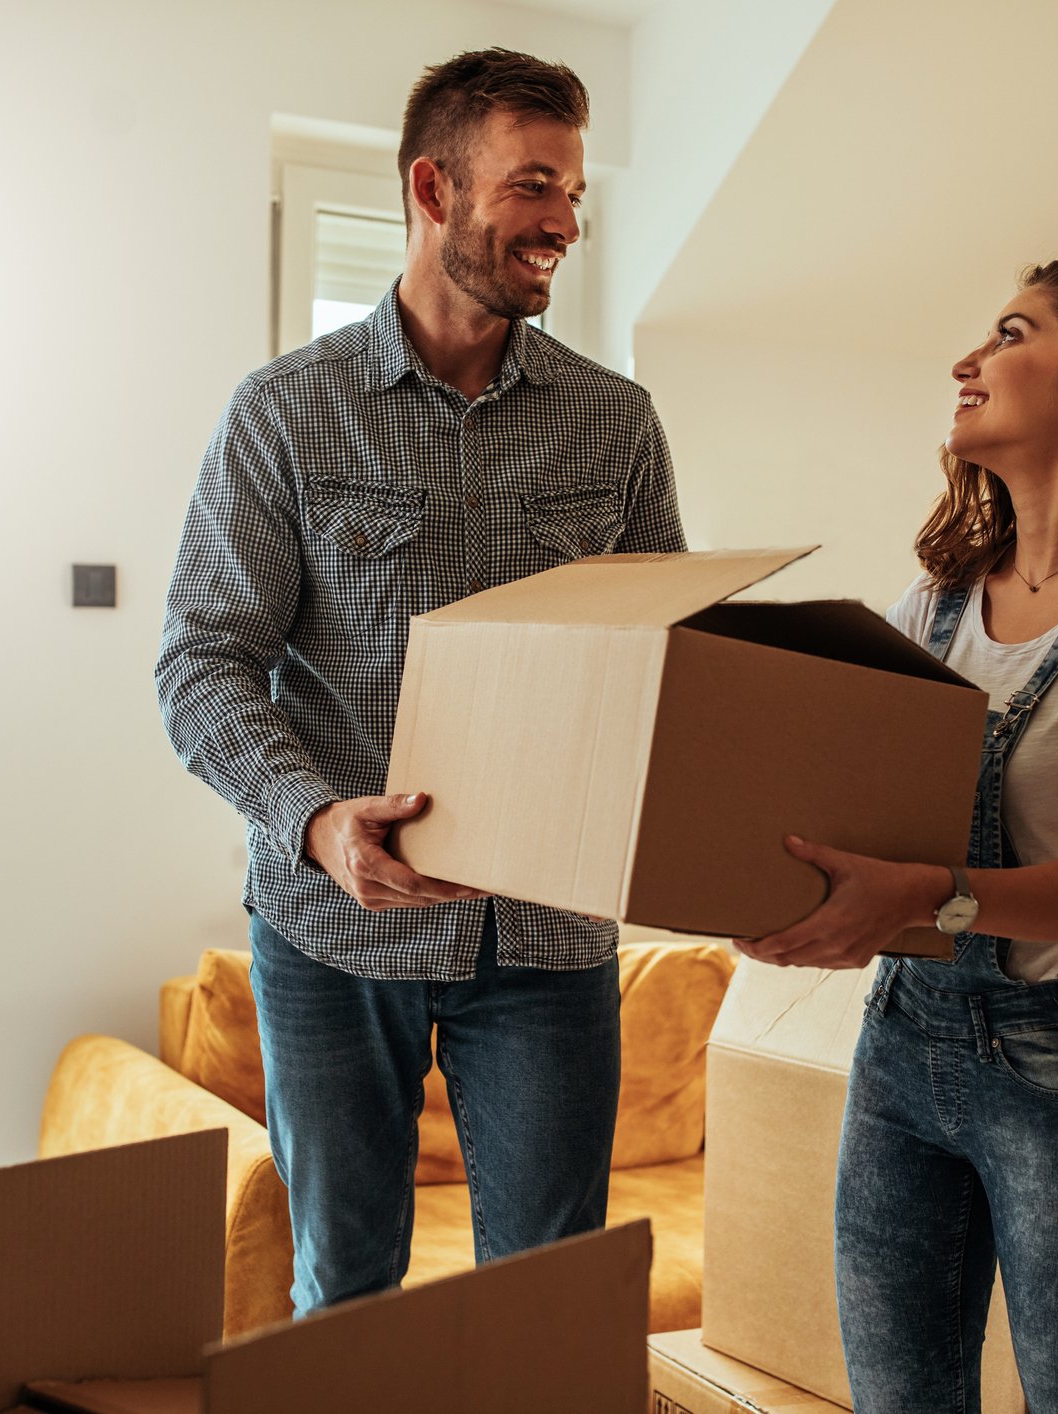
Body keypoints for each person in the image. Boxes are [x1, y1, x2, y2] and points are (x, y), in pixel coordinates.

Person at [154, 48, 686, 1318]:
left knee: (549, 1299)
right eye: (533, 185)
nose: (562, 222)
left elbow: (667, 659)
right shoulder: (284, 412)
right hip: (330, 929)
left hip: (548, 937)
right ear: (434, 187)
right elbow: (202, 663)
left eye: (574, 193)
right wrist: (321, 821)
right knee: (347, 1291)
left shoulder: (616, 425)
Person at [738, 260, 1058, 1410]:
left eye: (1011, 333)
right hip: (901, 1046)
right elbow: (837, 804)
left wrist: (929, 897)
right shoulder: (931, 604)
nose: (967, 361)